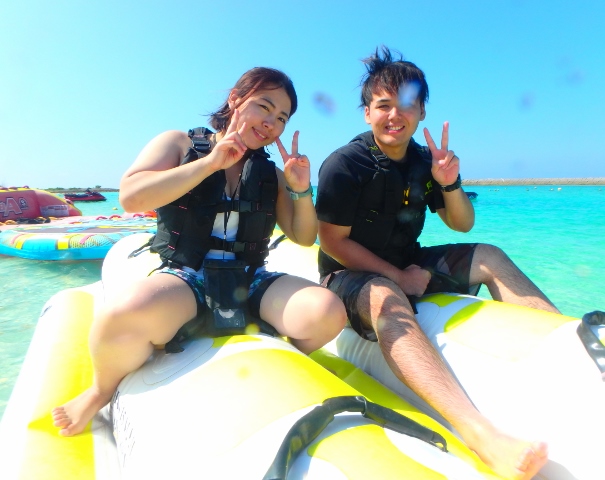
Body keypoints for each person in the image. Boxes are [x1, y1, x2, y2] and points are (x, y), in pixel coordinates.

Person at [52, 67, 347, 437]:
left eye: (282, 118)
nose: (271, 123)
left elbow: (303, 237)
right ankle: (100, 391)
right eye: (264, 107)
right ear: (235, 99)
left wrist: (300, 189)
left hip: (250, 278)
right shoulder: (178, 144)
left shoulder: (270, 174)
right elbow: (131, 197)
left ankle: (287, 358)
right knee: (120, 316)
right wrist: (209, 164)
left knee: (327, 312)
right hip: (186, 276)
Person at [315, 46, 555, 480]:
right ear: (367, 113)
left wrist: (450, 183)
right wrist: (397, 277)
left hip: (409, 261)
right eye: (383, 105)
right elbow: (331, 240)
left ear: (422, 112)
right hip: (346, 274)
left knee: (491, 256)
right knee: (387, 297)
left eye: (406, 104)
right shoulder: (344, 164)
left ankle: (566, 351)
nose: (395, 115)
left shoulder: (426, 161)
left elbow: (462, 224)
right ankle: (480, 434)